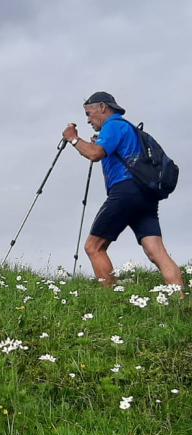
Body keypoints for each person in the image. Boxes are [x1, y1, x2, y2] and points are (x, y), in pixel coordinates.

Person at [62, 91, 183, 288]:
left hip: (126, 191)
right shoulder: (127, 128)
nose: (87, 120)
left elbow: (95, 154)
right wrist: (96, 144)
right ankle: (180, 300)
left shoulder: (113, 125)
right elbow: (110, 151)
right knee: (156, 251)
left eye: (88, 113)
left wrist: (73, 139)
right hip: (146, 194)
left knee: (94, 247)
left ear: (102, 107)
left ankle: (111, 300)